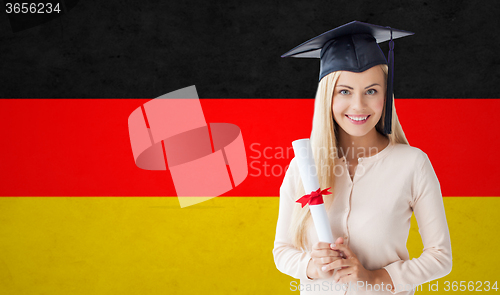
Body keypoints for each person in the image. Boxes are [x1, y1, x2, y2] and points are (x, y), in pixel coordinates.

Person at [273, 21, 452, 295]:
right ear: (327, 98)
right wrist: (312, 266)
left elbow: (440, 257)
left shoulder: (412, 164)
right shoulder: (304, 165)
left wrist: (374, 278)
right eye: (344, 91)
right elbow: (282, 251)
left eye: (371, 90)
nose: (358, 105)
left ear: (385, 95)